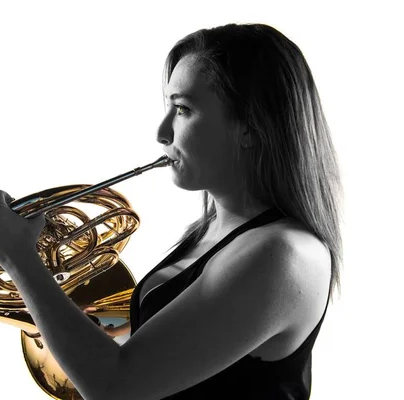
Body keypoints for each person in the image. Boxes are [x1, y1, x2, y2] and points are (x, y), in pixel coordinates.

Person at [82, 22, 343, 399]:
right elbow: (166, 338)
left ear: (251, 127)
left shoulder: (282, 254)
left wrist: (21, 262)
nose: (162, 132)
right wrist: (77, 316)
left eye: (183, 109)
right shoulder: (210, 231)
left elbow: (116, 387)